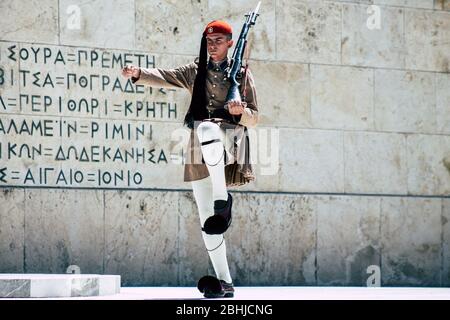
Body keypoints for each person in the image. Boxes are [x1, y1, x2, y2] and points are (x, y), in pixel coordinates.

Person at [121, 20, 258, 298]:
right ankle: (225, 282)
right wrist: (138, 73)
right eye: (209, 41)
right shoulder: (196, 71)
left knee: (207, 127)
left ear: (230, 43)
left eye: (219, 40)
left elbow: (254, 117)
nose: (213, 45)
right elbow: (165, 76)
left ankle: (223, 199)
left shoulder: (241, 74)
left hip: (229, 142)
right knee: (208, 222)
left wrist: (239, 110)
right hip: (199, 152)